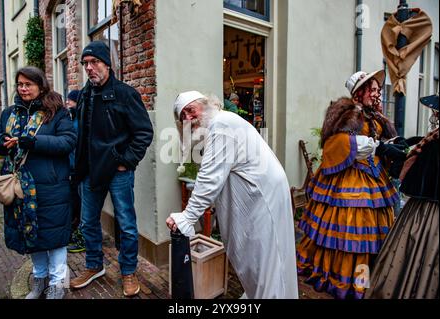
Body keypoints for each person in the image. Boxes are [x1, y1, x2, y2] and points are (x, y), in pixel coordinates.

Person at [166, 91, 299, 299]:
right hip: (258, 197)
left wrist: (188, 217)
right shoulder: (217, 126)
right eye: (183, 116)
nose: (188, 118)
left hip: (263, 199)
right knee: (258, 262)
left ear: (205, 105)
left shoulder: (221, 124)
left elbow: (209, 179)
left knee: (266, 263)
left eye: (191, 111)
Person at [295, 70, 407, 299]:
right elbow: (339, 142)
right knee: (349, 229)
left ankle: (368, 275)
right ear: (359, 92)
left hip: (374, 177)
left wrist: (392, 143)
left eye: (377, 90)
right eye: (373, 90)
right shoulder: (348, 113)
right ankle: (351, 278)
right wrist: (379, 147)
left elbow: (378, 140)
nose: (377, 94)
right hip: (349, 180)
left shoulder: (372, 115)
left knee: (371, 232)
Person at [69, 41, 154, 297]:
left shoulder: (125, 93)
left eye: (94, 62)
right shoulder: (84, 94)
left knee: (127, 224)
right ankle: (94, 265)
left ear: (107, 63)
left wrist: (124, 161)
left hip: (118, 172)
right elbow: (81, 135)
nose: (90, 68)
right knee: (87, 223)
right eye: (86, 64)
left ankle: (128, 271)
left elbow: (143, 132)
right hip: (89, 172)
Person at [0, 66, 77, 299]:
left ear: (40, 86)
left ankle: (57, 283)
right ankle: (39, 279)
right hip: (20, 188)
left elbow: (68, 142)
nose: (23, 88)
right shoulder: (9, 113)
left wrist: (33, 141)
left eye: (28, 84)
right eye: (20, 84)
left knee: (55, 236)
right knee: (32, 235)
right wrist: (2, 142)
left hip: (51, 187)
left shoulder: (55, 111)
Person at [365, 94, 439, 299]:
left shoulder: (435, 142)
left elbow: (416, 179)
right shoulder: (433, 139)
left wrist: (400, 157)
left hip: (428, 213)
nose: (434, 114)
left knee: (417, 255)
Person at [65, 90, 86, 253]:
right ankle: (77, 233)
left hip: (78, 170)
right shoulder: (73, 119)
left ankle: (82, 237)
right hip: (72, 169)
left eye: (70, 101)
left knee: (80, 205)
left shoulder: (79, 121)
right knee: (76, 203)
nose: (67, 103)